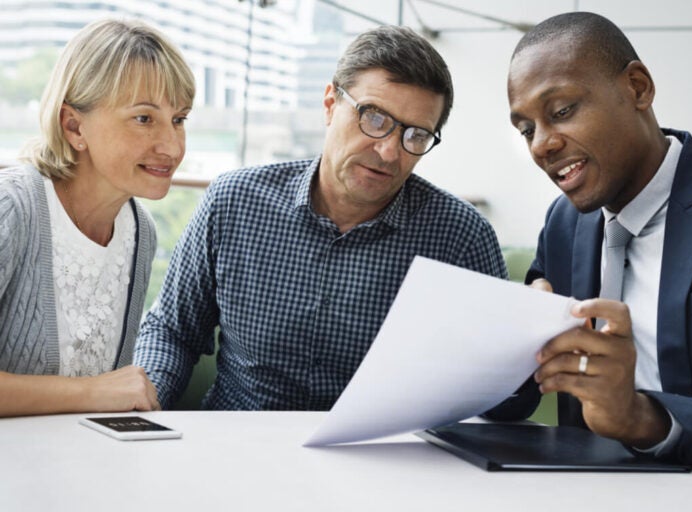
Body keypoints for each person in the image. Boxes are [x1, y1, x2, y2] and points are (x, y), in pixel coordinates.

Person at [491, 11, 692, 496]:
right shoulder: (563, 224)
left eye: (561, 111)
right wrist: (502, 352)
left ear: (638, 88)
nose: (542, 145)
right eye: (525, 130)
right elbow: (520, 397)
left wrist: (644, 418)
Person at [134, 25, 507, 411]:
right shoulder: (234, 202)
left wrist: (525, 353)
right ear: (331, 103)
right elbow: (172, 332)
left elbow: (499, 392)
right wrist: (144, 404)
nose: (389, 151)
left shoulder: (460, 236)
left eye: (415, 136)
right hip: (235, 447)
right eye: (374, 118)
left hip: (380, 461)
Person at [0, 18, 195, 416]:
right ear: (74, 126)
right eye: (144, 119)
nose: (172, 147)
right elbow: (104, 393)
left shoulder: (140, 233)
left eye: (178, 120)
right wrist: (91, 394)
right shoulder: (11, 209)